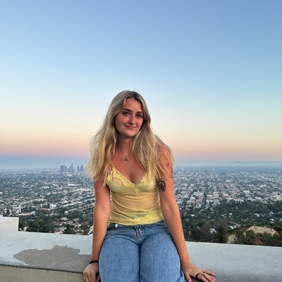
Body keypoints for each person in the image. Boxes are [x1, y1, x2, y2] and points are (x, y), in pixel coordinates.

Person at [83, 90, 216, 282]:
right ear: (114, 115)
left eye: (139, 116)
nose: (132, 120)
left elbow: (169, 205)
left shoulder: (158, 152)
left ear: (145, 121)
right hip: (119, 230)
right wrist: (94, 260)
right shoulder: (103, 154)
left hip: (157, 229)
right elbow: (102, 207)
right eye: (126, 112)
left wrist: (186, 261)